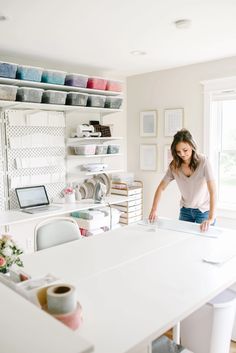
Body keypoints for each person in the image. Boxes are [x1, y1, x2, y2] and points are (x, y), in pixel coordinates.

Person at [149, 129, 216, 232]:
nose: (182, 154)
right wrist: (154, 210)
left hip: (204, 211)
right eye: (178, 152)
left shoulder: (203, 162)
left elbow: (213, 191)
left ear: (192, 146)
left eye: (185, 150)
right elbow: (161, 188)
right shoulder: (174, 166)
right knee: (181, 239)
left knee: (201, 243)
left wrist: (211, 218)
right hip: (186, 210)